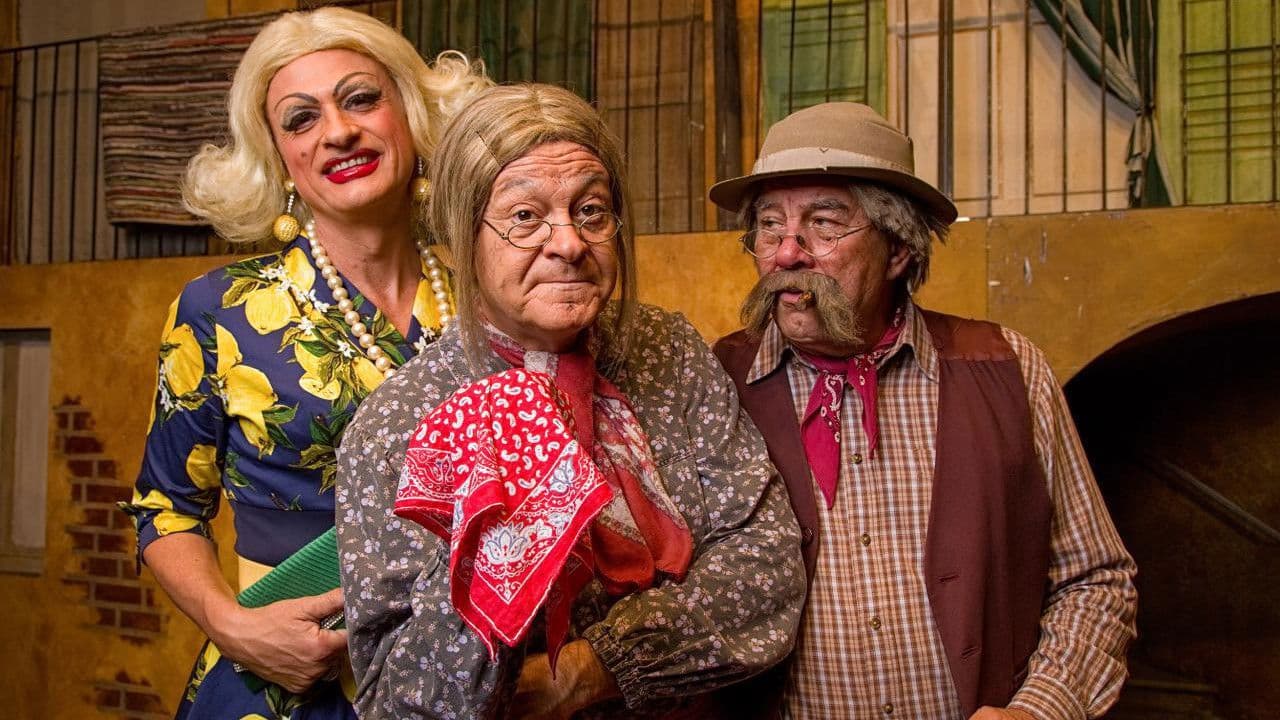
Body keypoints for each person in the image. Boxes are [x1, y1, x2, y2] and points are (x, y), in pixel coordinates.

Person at [335, 82, 806, 720]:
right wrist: (492, 545)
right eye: (525, 217)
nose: (569, 243)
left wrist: (589, 670)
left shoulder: (665, 350)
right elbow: (397, 700)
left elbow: (766, 566)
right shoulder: (400, 422)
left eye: (590, 211)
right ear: (463, 237)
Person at [709, 102, 1138, 720]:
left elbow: (1094, 578)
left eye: (824, 225)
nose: (787, 254)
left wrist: (1038, 710)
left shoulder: (1008, 370)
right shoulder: (718, 385)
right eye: (770, 227)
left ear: (899, 250)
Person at [120, 7, 488, 719]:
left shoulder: (489, 299)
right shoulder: (219, 311)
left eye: (361, 99)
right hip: (288, 684)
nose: (338, 131)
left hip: (466, 679)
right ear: (279, 158)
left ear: (412, 116)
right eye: (300, 118)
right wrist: (233, 627)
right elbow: (164, 509)